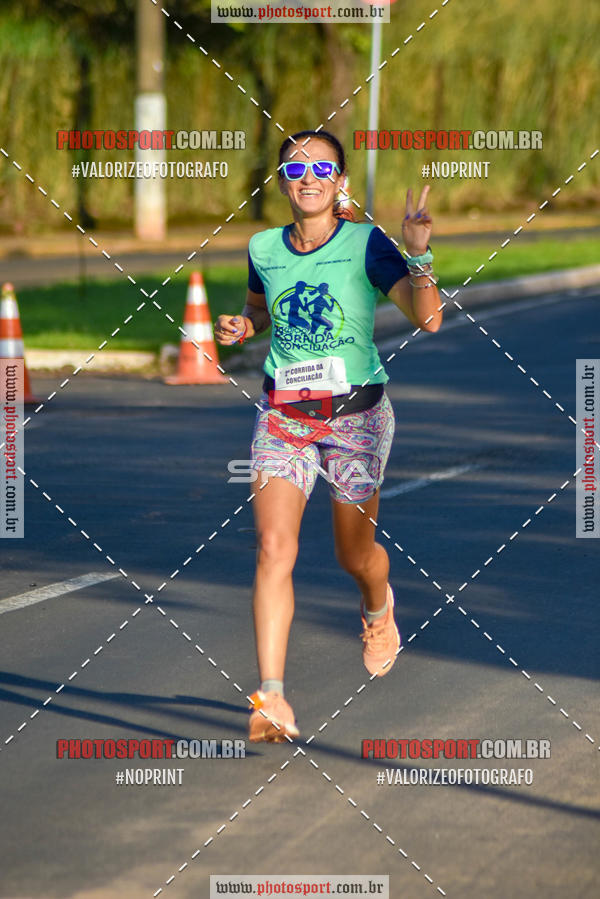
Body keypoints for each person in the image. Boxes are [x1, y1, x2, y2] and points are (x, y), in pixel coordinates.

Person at [215, 130, 442, 743]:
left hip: (356, 421)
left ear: (339, 181)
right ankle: (273, 698)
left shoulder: (368, 244)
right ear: (282, 181)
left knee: (354, 555)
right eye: (295, 168)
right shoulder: (264, 246)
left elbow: (428, 317)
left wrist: (418, 255)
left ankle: (378, 605)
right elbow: (264, 310)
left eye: (321, 167)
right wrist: (245, 325)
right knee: (273, 548)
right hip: (283, 415)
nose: (308, 177)